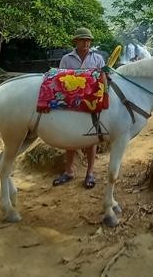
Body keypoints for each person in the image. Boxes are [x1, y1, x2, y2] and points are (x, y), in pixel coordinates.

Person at [52, 27, 106, 189]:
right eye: (82, 40)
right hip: (72, 103)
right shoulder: (67, 59)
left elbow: (103, 78)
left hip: (91, 103)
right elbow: (60, 80)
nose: (86, 43)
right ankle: (69, 171)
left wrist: (104, 95)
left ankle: (90, 173)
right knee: (71, 137)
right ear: (76, 42)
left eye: (88, 40)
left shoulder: (97, 58)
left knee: (92, 138)